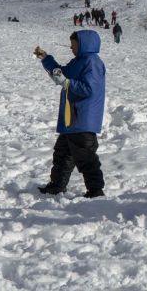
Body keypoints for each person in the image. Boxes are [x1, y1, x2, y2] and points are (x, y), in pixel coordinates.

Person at [34, 30, 106, 198]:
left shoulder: (92, 62)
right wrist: (46, 58)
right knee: (62, 153)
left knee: (86, 157)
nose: (71, 48)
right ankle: (57, 186)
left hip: (82, 118)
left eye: (73, 45)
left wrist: (66, 83)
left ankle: (96, 191)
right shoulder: (79, 61)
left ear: (84, 45)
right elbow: (63, 73)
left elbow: (89, 89)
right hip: (71, 118)